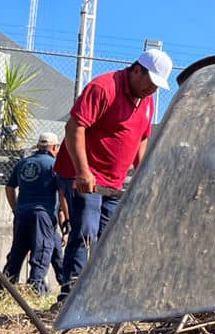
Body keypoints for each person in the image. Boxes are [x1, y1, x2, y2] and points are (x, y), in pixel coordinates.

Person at [53, 48, 172, 303]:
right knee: (86, 231)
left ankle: (98, 296)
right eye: (149, 83)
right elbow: (75, 126)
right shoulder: (104, 87)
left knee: (108, 237)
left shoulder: (147, 99)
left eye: (156, 87)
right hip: (85, 175)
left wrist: (143, 174)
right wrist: (83, 171)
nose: (151, 90)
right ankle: (71, 295)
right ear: (136, 70)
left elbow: (142, 138)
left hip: (113, 182)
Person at [3, 131, 63, 296]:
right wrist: (66, 216)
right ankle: (35, 289)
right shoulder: (54, 165)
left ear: (38, 146)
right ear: (53, 147)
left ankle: (6, 288)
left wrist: (16, 209)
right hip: (43, 215)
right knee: (43, 250)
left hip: (22, 214)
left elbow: (9, 187)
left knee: (19, 251)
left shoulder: (23, 163)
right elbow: (62, 192)